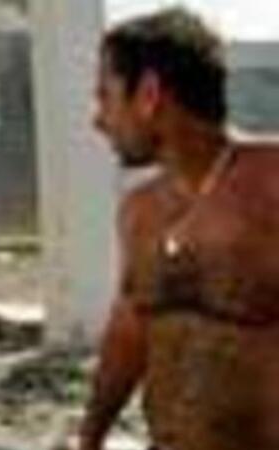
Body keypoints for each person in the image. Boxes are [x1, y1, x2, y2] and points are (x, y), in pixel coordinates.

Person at [79, 7, 279, 450]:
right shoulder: (140, 213)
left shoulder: (271, 186)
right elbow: (130, 332)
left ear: (149, 94)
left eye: (105, 97)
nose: (98, 119)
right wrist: (91, 435)